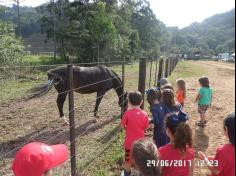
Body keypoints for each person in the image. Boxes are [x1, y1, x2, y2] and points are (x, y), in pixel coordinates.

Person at [121, 91, 149, 176]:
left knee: (127, 160)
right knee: (140, 160)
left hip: (129, 144)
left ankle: (126, 173)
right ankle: (141, 173)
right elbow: (146, 127)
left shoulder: (127, 113)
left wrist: (127, 128)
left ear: (129, 102)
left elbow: (122, 126)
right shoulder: (145, 114)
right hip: (141, 144)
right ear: (141, 102)